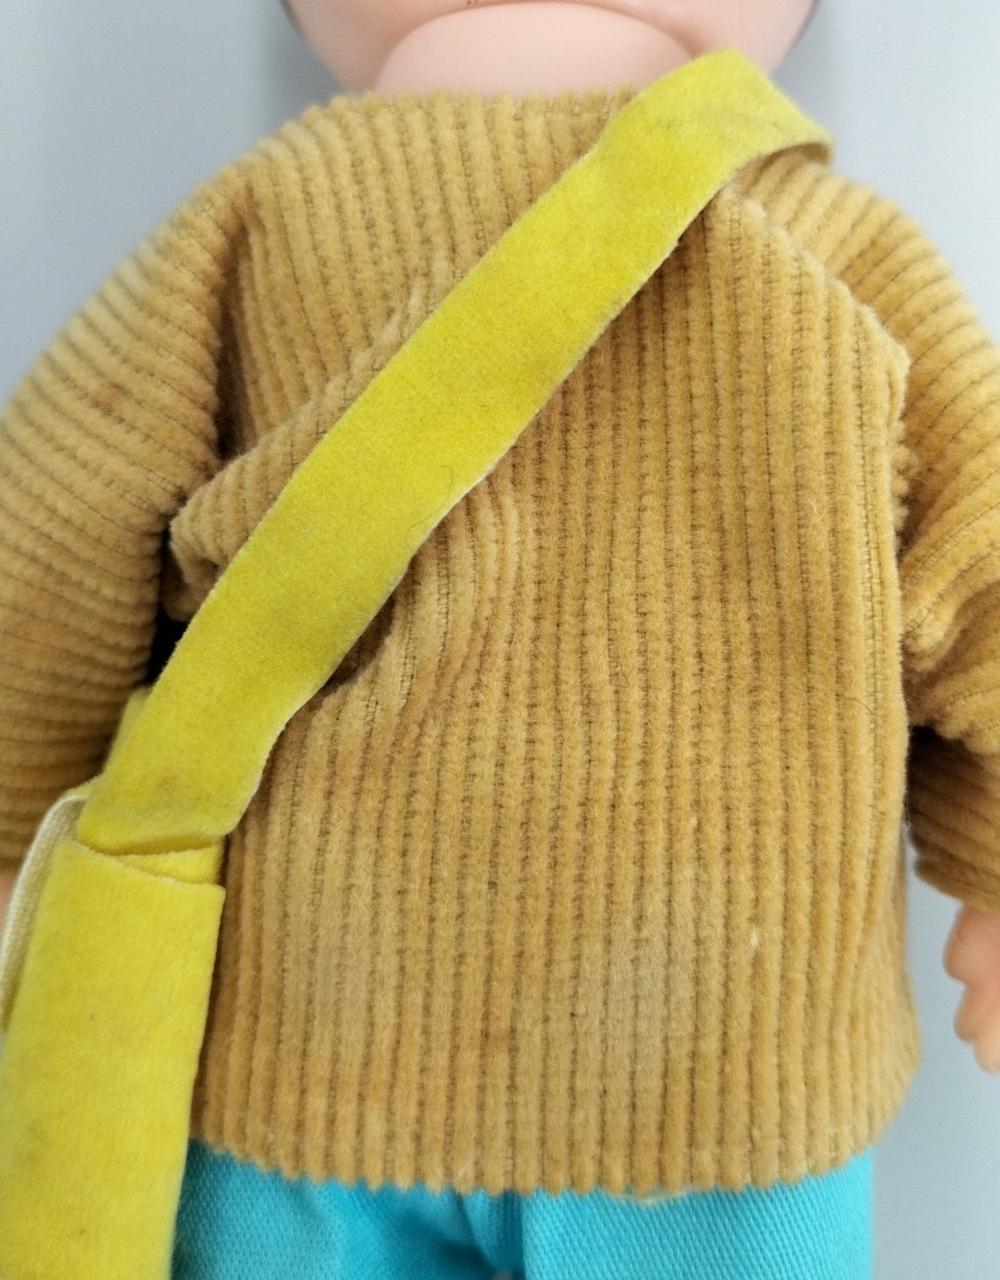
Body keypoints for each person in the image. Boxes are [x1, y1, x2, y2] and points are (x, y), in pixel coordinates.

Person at [2, 3, 1000, 1276]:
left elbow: (45, 536)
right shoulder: (837, 250)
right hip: (717, 1065)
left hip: (306, 1039)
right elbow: (981, 566)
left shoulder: (255, 220)